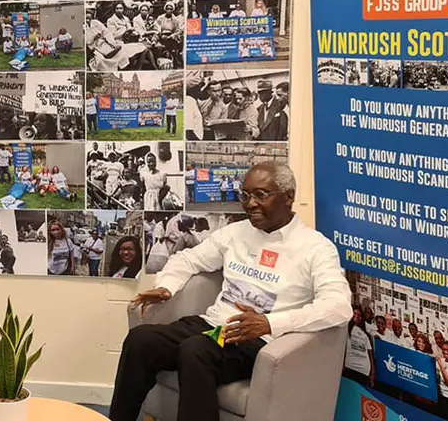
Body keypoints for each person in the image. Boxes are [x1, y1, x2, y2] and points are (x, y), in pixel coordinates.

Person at [109, 161, 352, 421]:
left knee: (196, 350)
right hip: (213, 325)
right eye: (245, 195)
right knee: (140, 340)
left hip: (254, 339)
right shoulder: (236, 233)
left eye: (261, 194)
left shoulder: (315, 247)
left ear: (289, 197)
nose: (250, 203)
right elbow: (188, 259)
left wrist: (269, 323)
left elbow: (338, 306)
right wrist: (167, 286)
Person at [343, 306, 375, 388]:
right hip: (349, 367)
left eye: (359, 315)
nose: (357, 316)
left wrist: (372, 373)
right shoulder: (345, 329)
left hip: (364, 370)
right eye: (355, 313)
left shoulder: (365, 334)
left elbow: (370, 355)